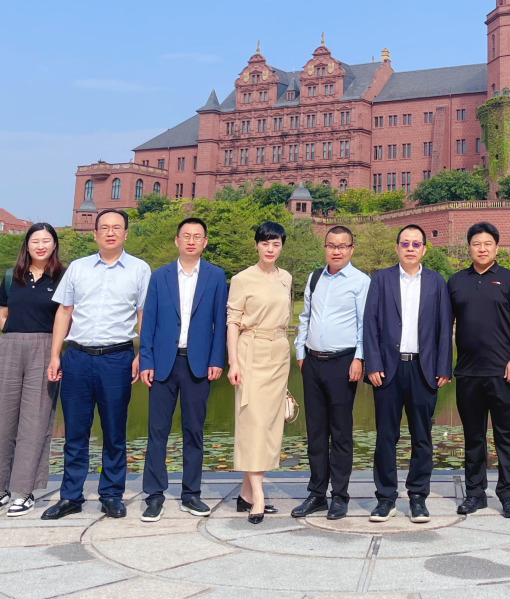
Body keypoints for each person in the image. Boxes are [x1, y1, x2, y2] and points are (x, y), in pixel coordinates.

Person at [42, 209, 150, 520]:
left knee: (114, 431)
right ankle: (70, 496)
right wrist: (55, 355)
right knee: (75, 431)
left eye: (117, 227)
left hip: (117, 358)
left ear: (126, 233)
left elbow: (143, 315)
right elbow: (64, 312)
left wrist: (142, 354)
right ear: (95, 233)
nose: (110, 232)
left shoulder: (140, 269)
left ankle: (111, 494)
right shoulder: (78, 268)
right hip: (76, 357)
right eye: (104, 228)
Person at [138, 217, 228, 522]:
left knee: (194, 431)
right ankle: (154, 496)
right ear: (177, 241)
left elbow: (220, 323)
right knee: (157, 432)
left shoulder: (216, 276)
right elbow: (148, 322)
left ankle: (191, 494)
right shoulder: (159, 276)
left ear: (205, 242)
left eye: (197, 236)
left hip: (198, 364)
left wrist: (216, 360)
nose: (191, 241)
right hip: (163, 363)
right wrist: (146, 361)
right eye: (186, 236)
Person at [363, 224, 453, 523]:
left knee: (422, 437)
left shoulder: (436, 281)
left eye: (416, 244)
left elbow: (444, 326)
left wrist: (443, 366)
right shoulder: (381, 279)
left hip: (423, 369)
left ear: (424, 249)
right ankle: (385, 498)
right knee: (385, 437)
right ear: (397, 248)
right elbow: (370, 323)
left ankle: (417, 497)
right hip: (387, 369)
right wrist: (373, 364)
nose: (410, 248)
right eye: (405, 243)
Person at [448, 222, 510, 519]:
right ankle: (475, 493)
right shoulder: (456, 281)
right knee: (473, 437)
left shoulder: (508, 279)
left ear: (496, 247)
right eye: (476, 244)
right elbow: (445, 325)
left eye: (487, 244)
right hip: (468, 373)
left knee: (507, 437)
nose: (482, 249)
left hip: (503, 372)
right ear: (468, 247)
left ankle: (509, 495)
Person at [0, 223, 63, 518]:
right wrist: (14, 332)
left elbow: (67, 316)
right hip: (9, 348)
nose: (40, 246)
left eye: (46, 240)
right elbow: (1, 311)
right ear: (26, 245)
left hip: (45, 348)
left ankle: (24, 492)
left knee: (35, 420)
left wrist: (53, 350)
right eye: (34, 241)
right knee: (1, 419)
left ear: (54, 245)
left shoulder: (63, 276)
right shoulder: (11, 276)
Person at [291, 225, 370, 522]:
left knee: (340, 432)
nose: (337, 251)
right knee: (315, 432)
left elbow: (364, 324)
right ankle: (316, 494)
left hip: (343, 362)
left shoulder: (361, 281)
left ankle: (339, 495)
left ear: (351, 249)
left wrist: (359, 358)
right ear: (324, 248)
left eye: (342, 246)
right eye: (331, 245)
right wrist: (300, 353)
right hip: (312, 362)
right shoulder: (315, 278)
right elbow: (305, 317)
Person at [227, 221, 293, 524]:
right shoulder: (242, 279)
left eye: (276, 244)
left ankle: (245, 494)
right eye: (265, 243)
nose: (270, 249)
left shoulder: (286, 278)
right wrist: (234, 362)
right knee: (252, 422)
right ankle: (259, 497)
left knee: (268, 425)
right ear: (256, 245)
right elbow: (233, 322)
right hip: (250, 351)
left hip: (279, 351)